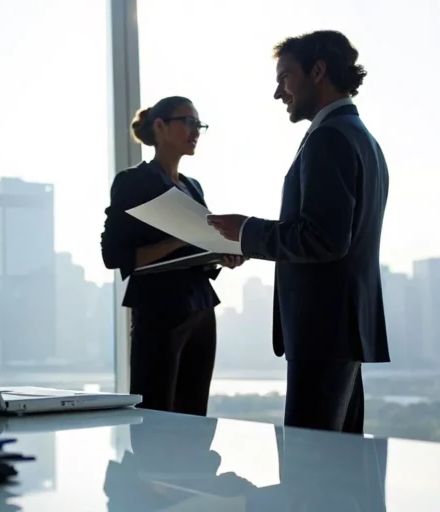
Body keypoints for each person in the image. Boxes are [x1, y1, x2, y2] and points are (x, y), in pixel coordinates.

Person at [206, 30, 390, 434]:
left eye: (285, 77)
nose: (278, 92)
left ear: (318, 71)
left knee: (309, 477)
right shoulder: (362, 139)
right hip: (342, 330)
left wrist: (246, 232)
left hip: (322, 331)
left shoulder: (329, 139)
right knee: (339, 471)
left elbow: (322, 238)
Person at [101, 96, 243, 415]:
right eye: (188, 122)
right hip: (158, 309)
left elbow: (195, 249)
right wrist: (179, 239)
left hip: (201, 308)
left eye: (199, 125)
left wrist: (220, 256)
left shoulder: (193, 187)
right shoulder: (132, 182)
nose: (195, 131)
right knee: (155, 411)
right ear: (161, 127)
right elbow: (114, 256)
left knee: (194, 413)